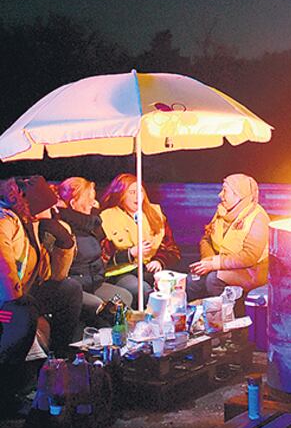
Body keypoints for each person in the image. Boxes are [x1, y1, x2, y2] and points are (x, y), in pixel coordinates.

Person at [0, 176, 81, 413]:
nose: (55, 209)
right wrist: (17, 298)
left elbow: (55, 276)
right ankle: (6, 392)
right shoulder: (5, 221)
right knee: (23, 313)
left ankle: (57, 361)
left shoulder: (33, 224)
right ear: (33, 204)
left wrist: (63, 243)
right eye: (49, 205)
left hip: (24, 296)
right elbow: (3, 266)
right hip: (5, 304)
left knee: (70, 290)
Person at [57, 177, 133, 325]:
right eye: (89, 199)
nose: (94, 202)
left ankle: (120, 337)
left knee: (124, 296)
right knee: (105, 309)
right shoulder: (64, 228)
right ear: (73, 203)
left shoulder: (90, 224)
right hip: (76, 287)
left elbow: (103, 250)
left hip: (94, 283)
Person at [99, 174, 181, 303]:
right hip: (122, 273)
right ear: (121, 195)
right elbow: (101, 258)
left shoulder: (155, 214)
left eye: (140, 191)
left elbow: (172, 250)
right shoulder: (107, 217)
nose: (137, 196)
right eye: (132, 192)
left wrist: (159, 261)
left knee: (175, 289)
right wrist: (130, 253)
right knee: (143, 291)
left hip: (150, 270)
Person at [186, 174, 269, 300]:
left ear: (238, 195)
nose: (220, 195)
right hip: (223, 265)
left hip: (250, 271)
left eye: (225, 191)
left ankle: (228, 315)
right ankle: (192, 314)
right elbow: (206, 239)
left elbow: (249, 256)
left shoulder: (258, 218)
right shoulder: (223, 212)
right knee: (192, 280)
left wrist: (216, 264)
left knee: (213, 280)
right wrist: (208, 260)